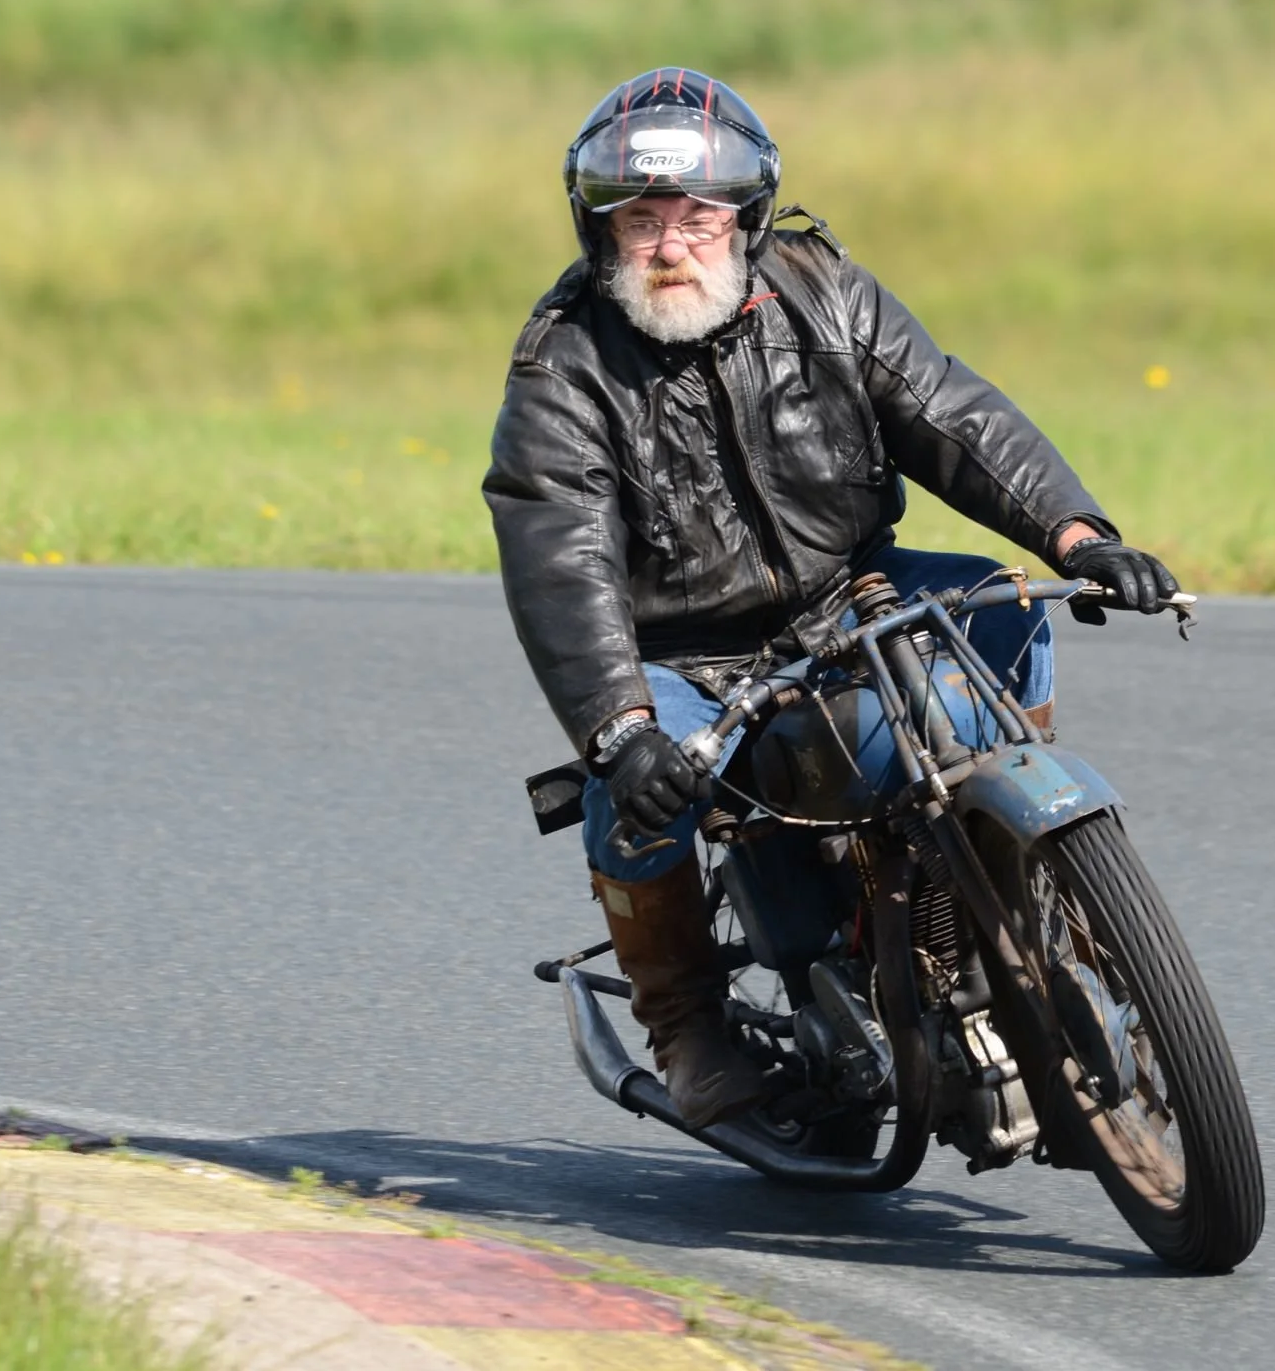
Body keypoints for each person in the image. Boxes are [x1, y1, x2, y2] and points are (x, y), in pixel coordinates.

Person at [483, 68, 1179, 1130]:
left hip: (849, 590)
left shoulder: (824, 292)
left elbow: (948, 412)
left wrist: (1079, 535)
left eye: (698, 218)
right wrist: (619, 729)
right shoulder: (562, 364)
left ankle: (1023, 870)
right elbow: (558, 559)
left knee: (1005, 604)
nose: (672, 246)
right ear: (600, 229)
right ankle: (685, 1025)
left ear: (745, 218)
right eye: (642, 221)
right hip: (679, 654)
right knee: (625, 800)